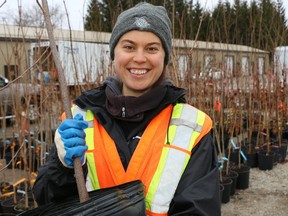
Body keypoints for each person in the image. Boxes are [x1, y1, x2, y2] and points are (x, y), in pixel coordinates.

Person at [32, 2, 221, 215]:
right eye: (129, 47)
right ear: (114, 54)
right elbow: (47, 200)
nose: (139, 58)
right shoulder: (78, 117)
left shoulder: (193, 126)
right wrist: (63, 168)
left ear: (164, 57)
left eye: (152, 48)